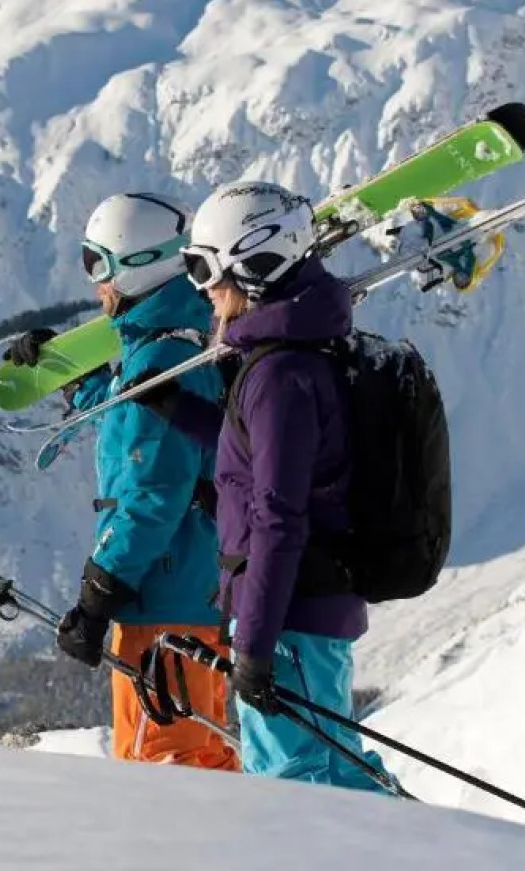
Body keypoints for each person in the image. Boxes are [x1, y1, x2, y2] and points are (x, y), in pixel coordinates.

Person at [5, 192, 238, 771]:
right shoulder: (180, 344)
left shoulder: (157, 364)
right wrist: (76, 378)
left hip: (162, 609)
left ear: (136, 266)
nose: (95, 286)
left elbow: (153, 497)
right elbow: (133, 415)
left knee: (161, 770)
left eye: (98, 264)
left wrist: (97, 595)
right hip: (194, 597)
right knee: (204, 761)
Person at [178, 179, 394, 791]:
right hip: (306, 606)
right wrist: (173, 410)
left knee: (293, 788)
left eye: (204, 269)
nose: (203, 290)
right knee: (334, 774)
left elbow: (279, 514)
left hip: (289, 612)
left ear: (250, 268)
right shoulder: (289, 359)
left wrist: (256, 639)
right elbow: (253, 454)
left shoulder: (279, 373)